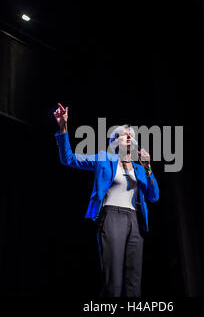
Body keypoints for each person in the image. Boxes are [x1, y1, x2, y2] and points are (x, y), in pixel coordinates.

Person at [53, 103, 159, 297]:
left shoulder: (138, 168)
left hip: (135, 222)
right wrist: (63, 126)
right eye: (126, 135)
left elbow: (154, 195)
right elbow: (68, 158)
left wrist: (148, 168)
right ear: (115, 140)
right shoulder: (103, 159)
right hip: (111, 217)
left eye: (132, 136)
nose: (130, 138)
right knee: (114, 278)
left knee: (134, 280)